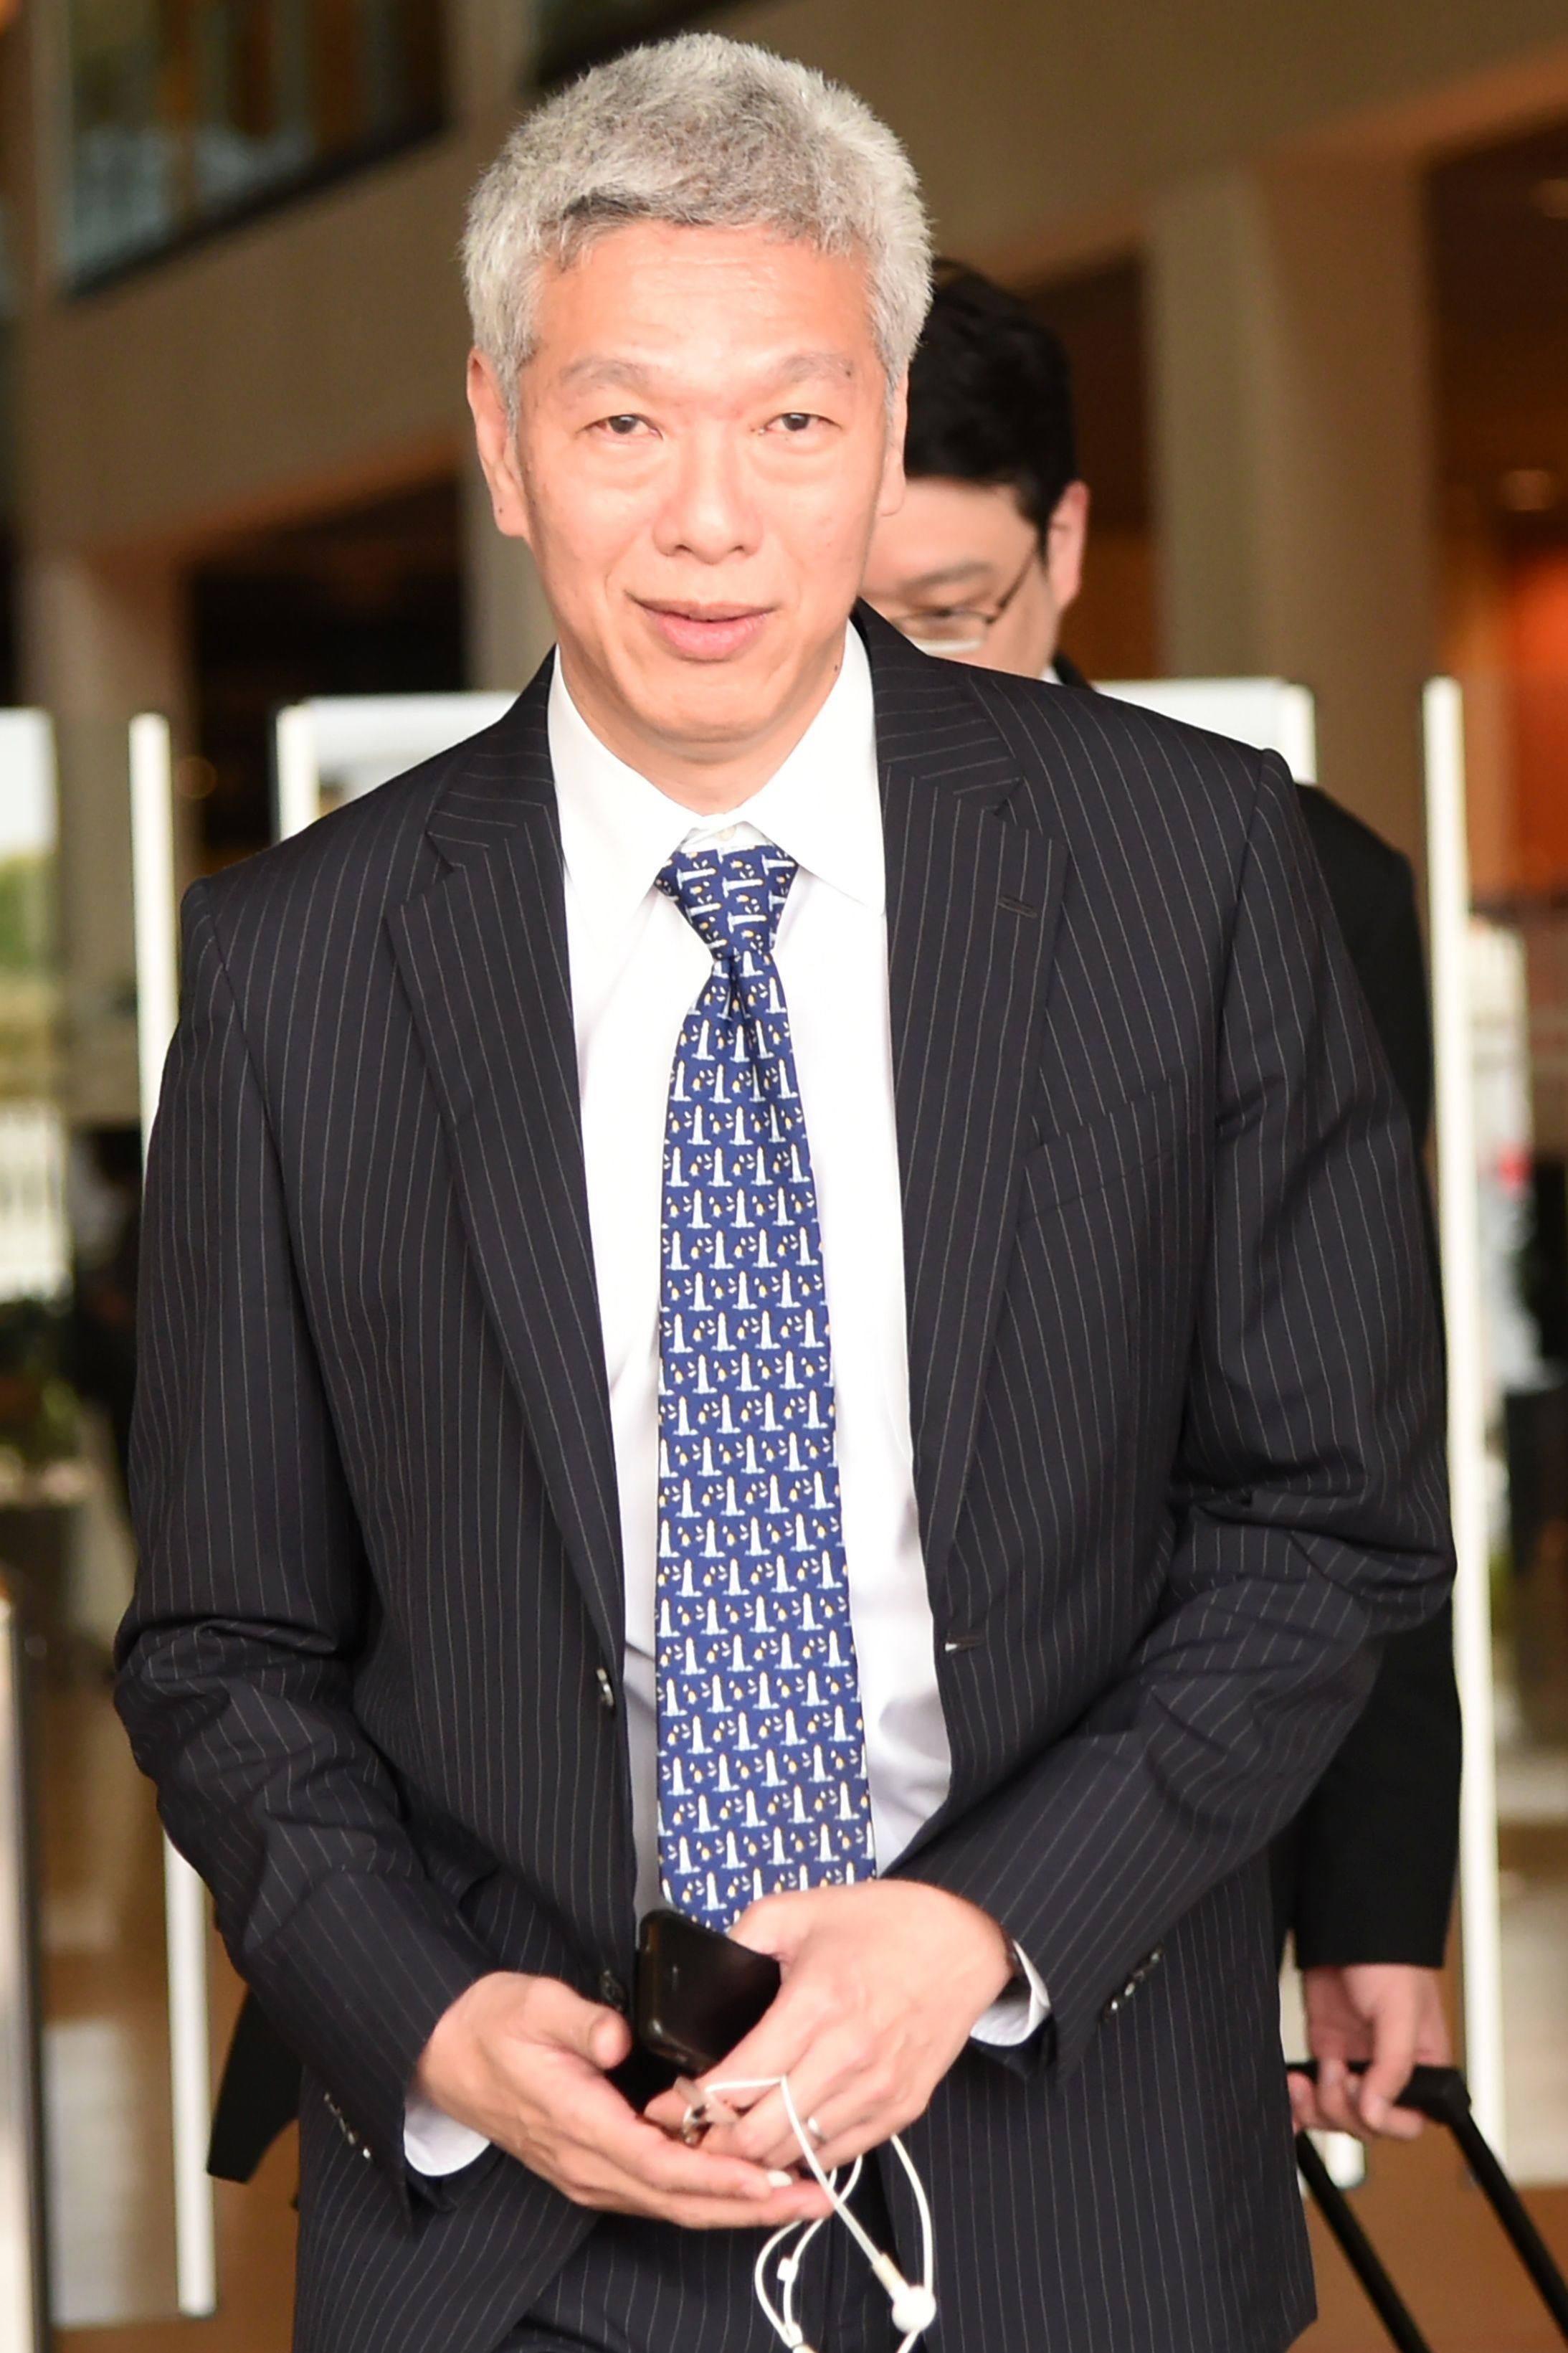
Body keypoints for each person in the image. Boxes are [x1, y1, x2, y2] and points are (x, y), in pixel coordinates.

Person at [118, 37, 1453, 2353]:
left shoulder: (1188, 868)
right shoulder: (294, 966)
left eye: (795, 420)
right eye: (626, 420)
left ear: (887, 417)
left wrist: (980, 1925)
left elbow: (1320, 1519)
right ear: (501, 437)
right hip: (518, 2231)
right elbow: (225, 1642)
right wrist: (426, 2016)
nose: (712, 518)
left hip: (1083, 2180)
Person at [863, 263, 1462, 2150]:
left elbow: (1341, 1426)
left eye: (949, 614)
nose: (895, 684)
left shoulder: (1274, 877)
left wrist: (1368, 1900)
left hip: (1129, 1836)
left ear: (1065, 540)